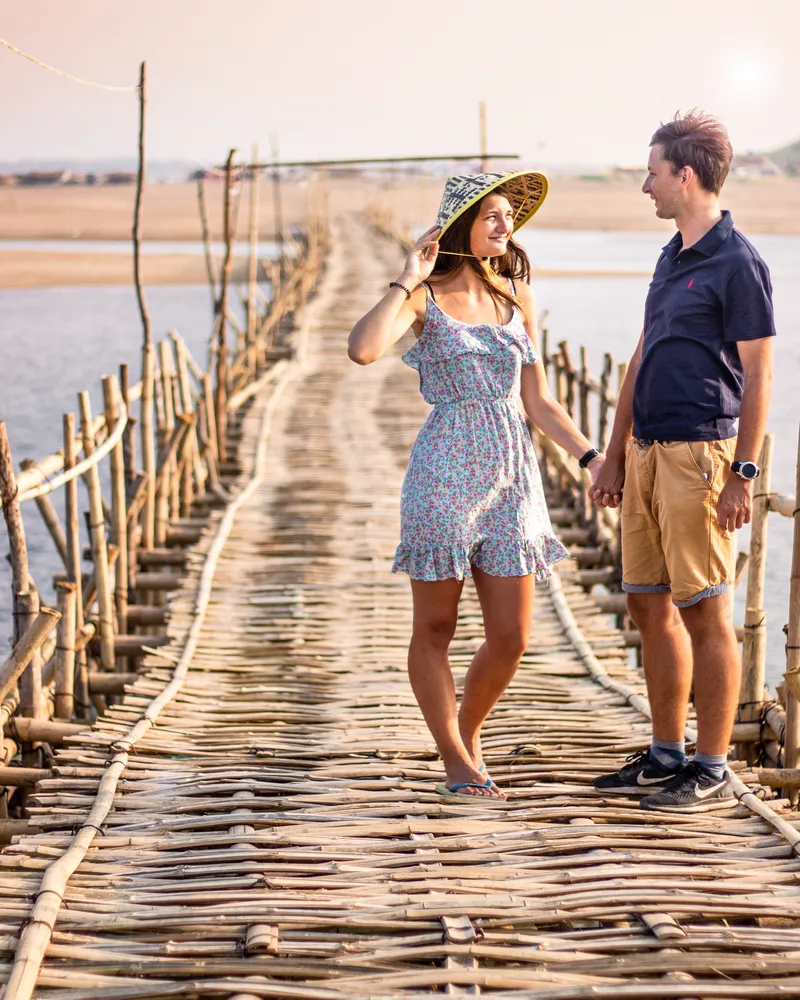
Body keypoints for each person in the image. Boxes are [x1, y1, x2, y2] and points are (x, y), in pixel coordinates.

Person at [348, 172, 605, 798]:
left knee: (512, 636)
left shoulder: (517, 296)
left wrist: (591, 457)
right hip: (444, 472)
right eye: (490, 216)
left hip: (513, 477)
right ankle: (457, 760)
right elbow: (361, 349)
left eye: (508, 217)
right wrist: (408, 273)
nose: (505, 227)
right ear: (461, 224)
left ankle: (462, 733)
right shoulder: (423, 297)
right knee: (435, 628)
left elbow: (538, 401)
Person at [591, 112, 776, 812]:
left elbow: (760, 376)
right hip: (645, 452)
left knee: (706, 611)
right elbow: (640, 357)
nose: (646, 186)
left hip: (702, 453)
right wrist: (612, 454)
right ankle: (666, 753)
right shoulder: (672, 255)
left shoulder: (738, 262)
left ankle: (711, 764)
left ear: (685, 176)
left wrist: (743, 474)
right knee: (646, 604)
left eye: (654, 173)